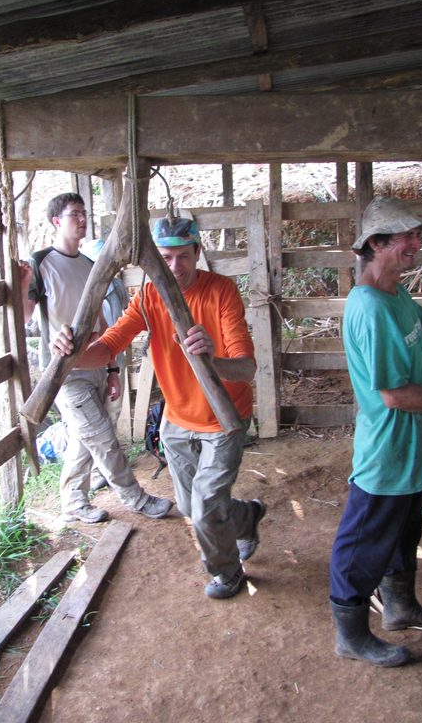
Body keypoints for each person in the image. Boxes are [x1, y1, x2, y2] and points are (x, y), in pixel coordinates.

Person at [52, 217, 266, 599]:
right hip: (177, 419)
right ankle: (246, 516)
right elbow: (109, 345)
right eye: (165, 257)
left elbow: (246, 367)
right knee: (190, 505)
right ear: (153, 262)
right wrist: (72, 355)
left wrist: (211, 359)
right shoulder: (149, 296)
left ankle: (227, 571)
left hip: (224, 418)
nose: (175, 267)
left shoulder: (221, 291)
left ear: (198, 254)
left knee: (204, 508)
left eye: (184, 256)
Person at [329, 196, 422, 668]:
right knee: (362, 543)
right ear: (378, 244)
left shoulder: (396, 294)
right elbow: (395, 396)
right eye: (407, 237)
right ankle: (351, 634)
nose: (416, 244)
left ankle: (401, 607)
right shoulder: (369, 308)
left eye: (417, 236)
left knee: (404, 530)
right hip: (386, 451)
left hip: (413, 445)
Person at [20, 192, 173, 524]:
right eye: (74, 214)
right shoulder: (40, 262)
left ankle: (73, 501)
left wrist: (113, 367)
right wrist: (19, 286)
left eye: (83, 213)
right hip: (64, 373)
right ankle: (136, 499)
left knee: (84, 437)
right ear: (56, 222)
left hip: (97, 365)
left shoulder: (91, 265)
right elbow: (25, 315)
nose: (82, 219)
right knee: (102, 437)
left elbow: (103, 322)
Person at [80, 237, 130, 492]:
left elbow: (123, 318)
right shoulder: (83, 289)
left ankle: (103, 471)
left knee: (111, 413)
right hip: (87, 363)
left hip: (113, 359)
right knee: (91, 426)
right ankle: (94, 474)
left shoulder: (118, 286)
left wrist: (114, 368)